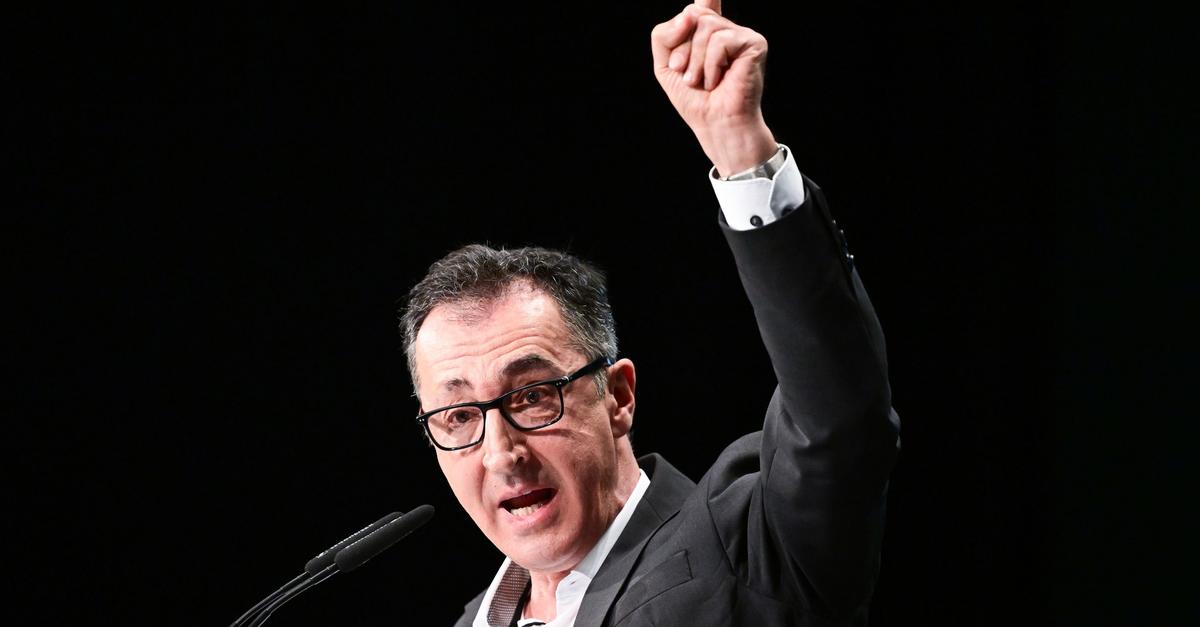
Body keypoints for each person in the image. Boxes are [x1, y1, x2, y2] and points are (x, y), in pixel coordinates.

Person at [399, 1, 900, 625]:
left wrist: (742, 152)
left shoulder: (748, 551)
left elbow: (839, 421)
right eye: (458, 416)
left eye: (531, 396)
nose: (502, 453)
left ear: (618, 396)